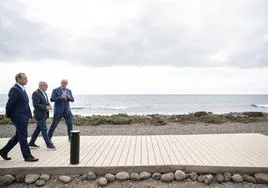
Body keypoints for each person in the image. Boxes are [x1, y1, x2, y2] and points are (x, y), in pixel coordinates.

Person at [0, 73, 39, 162]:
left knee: (18, 136)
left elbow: (25, 104)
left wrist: (30, 115)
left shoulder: (22, 89)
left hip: (24, 116)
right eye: (25, 78)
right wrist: (8, 115)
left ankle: (3, 151)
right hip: (18, 117)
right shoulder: (15, 89)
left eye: (26, 78)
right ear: (18, 79)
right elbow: (9, 104)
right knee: (23, 137)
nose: (27, 79)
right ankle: (27, 156)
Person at [28, 81, 56, 150]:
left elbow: (45, 102)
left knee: (38, 129)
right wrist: (46, 107)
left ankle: (31, 143)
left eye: (47, 85)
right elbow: (36, 104)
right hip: (39, 115)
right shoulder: (36, 93)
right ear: (41, 86)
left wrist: (48, 105)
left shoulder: (45, 93)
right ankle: (49, 145)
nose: (47, 87)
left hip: (44, 114)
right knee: (44, 129)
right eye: (46, 85)